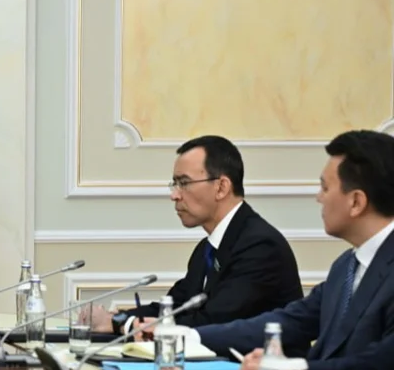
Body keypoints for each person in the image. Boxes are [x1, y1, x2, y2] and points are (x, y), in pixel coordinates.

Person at [202, 130, 394, 370]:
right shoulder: (345, 266)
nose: (318, 198)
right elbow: (289, 321)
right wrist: (188, 337)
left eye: (325, 188)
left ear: (356, 202)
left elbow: (380, 364)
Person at [94, 136, 303, 334]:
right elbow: (174, 308)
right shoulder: (207, 248)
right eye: (175, 184)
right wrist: (117, 317)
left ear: (221, 187)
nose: (174, 195)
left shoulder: (260, 246)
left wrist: (123, 325)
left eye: (184, 183)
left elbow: (213, 322)